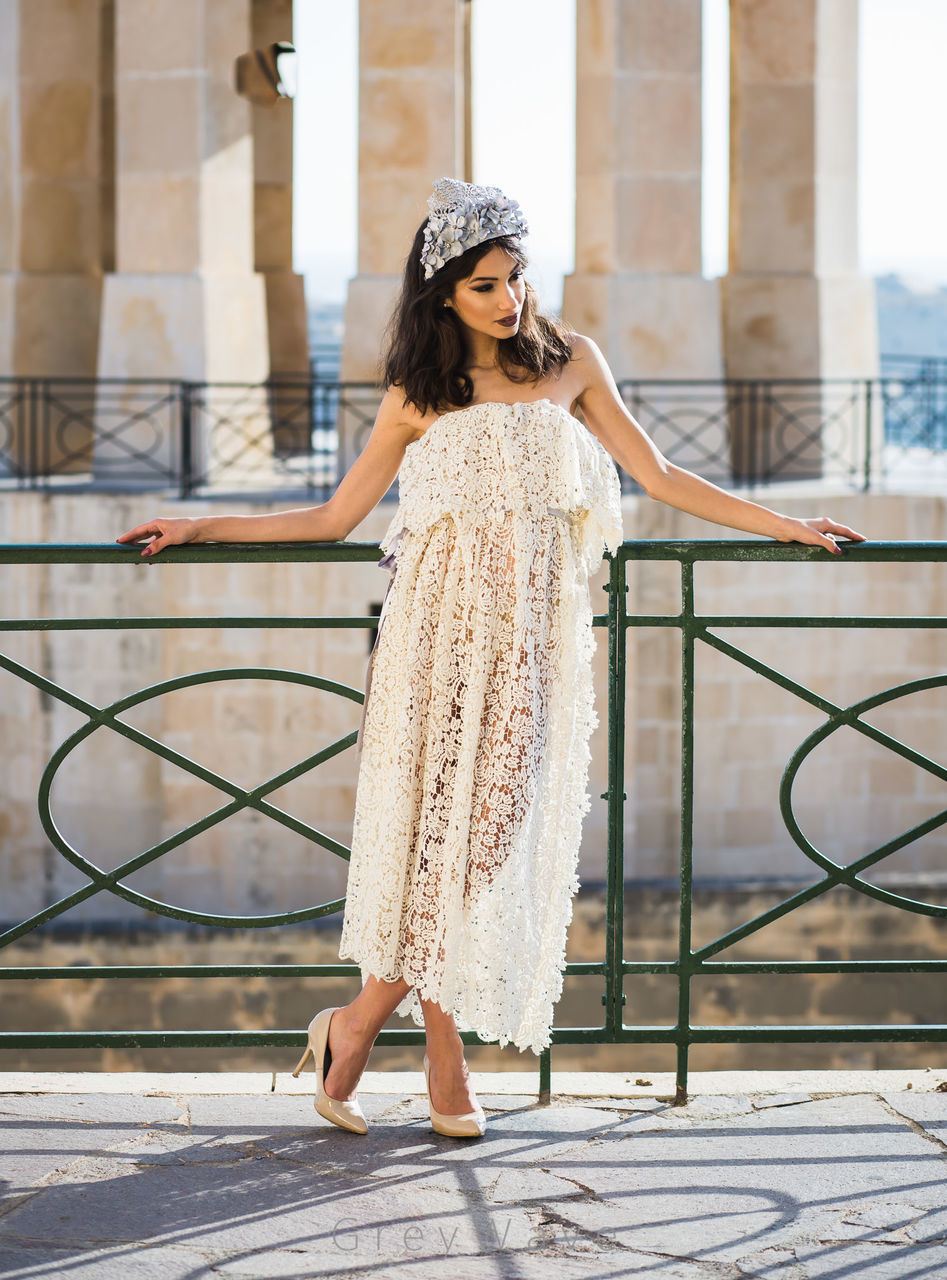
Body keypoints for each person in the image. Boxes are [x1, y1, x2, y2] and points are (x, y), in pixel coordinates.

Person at [118, 177, 865, 1139]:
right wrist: (200, 526)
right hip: (435, 636)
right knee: (435, 844)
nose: (508, 300)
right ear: (442, 296)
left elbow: (661, 476)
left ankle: (353, 1024)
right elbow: (333, 518)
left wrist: (783, 525)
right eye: (483, 285)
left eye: (515, 277)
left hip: (535, 640)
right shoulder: (417, 394)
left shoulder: (573, 363)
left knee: (481, 845)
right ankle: (443, 1055)